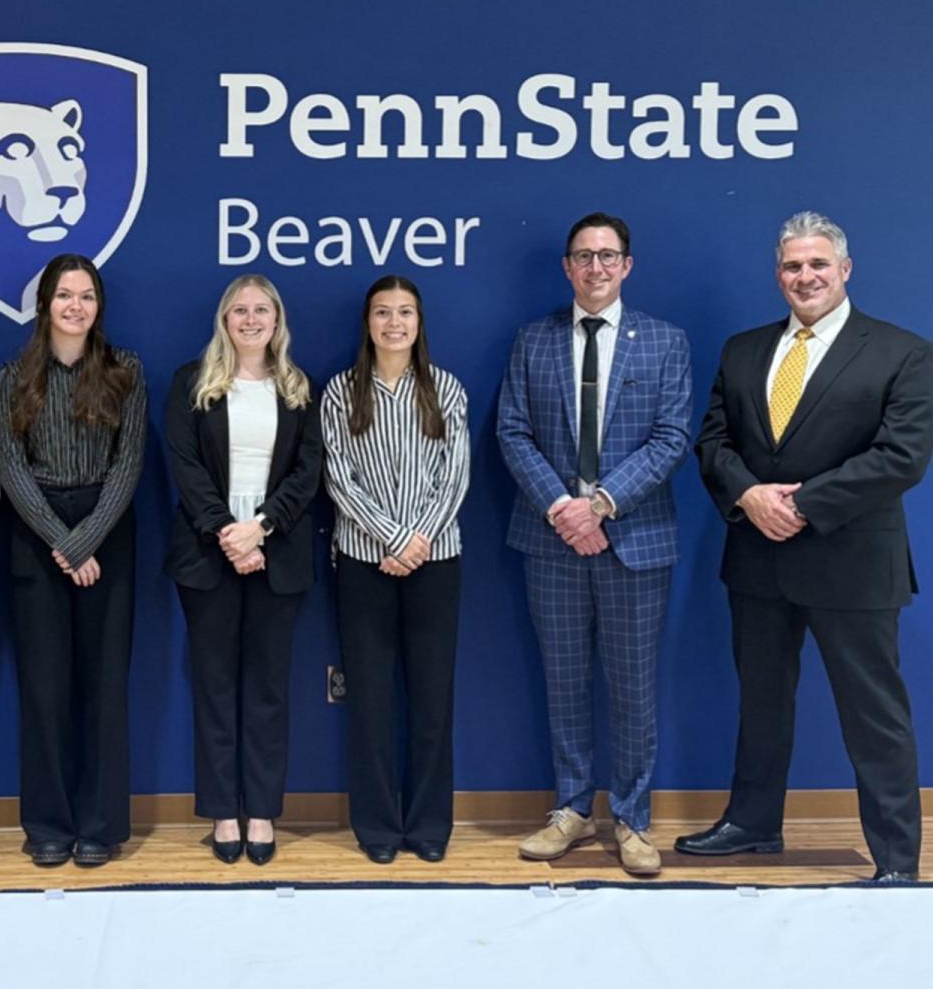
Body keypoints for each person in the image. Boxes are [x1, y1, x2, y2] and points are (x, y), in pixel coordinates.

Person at [678, 210, 933, 883]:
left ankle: (898, 859)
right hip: (758, 558)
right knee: (761, 701)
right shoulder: (743, 349)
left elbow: (902, 457)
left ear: (845, 270)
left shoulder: (902, 351)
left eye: (818, 263)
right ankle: (752, 823)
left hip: (852, 562)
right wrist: (751, 496)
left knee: (874, 714)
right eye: (792, 265)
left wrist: (801, 504)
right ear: (778, 274)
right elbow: (712, 443)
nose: (805, 275)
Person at [495, 211, 691, 876]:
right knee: (564, 681)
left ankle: (633, 819)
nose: (596, 267)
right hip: (552, 541)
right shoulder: (534, 340)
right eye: (584, 255)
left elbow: (671, 436)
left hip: (635, 540)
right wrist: (563, 508)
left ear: (627, 265)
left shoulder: (664, 342)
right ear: (567, 266)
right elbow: (513, 431)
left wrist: (602, 504)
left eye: (608, 255)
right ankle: (572, 810)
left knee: (634, 687)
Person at [164, 275, 322, 866]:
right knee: (213, 687)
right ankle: (223, 812)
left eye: (262, 310)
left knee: (267, 691)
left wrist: (262, 528)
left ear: (277, 321)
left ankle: (261, 811)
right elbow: (183, 464)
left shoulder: (299, 387)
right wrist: (228, 533)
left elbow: (309, 471)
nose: (251, 319)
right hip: (208, 557)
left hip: (276, 556)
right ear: (223, 320)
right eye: (239, 310)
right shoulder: (192, 383)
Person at [0, 254, 146, 868]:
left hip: (107, 534)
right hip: (37, 535)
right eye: (64, 296)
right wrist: (62, 540)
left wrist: (86, 541)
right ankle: (49, 824)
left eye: (86, 296)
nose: (75, 307)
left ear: (98, 306)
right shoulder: (13, 376)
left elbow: (128, 463)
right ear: (45, 306)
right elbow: (10, 466)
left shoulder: (125, 371)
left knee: (104, 688)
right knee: (45, 690)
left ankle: (100, 824)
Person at [321, 275, 469, 865]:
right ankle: (377, 824)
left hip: (436, 559)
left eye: (405, 313)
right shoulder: (340, 392)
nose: (394, 324)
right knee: (373, 702)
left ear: (419, 322)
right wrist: (391, 536)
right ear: (368, 323)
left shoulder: (446, 389)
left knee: (432, 701)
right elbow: (339, 476)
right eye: (382, 312)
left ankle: (429, 822)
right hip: (363, 561)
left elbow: (455, 475)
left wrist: (417, 540)